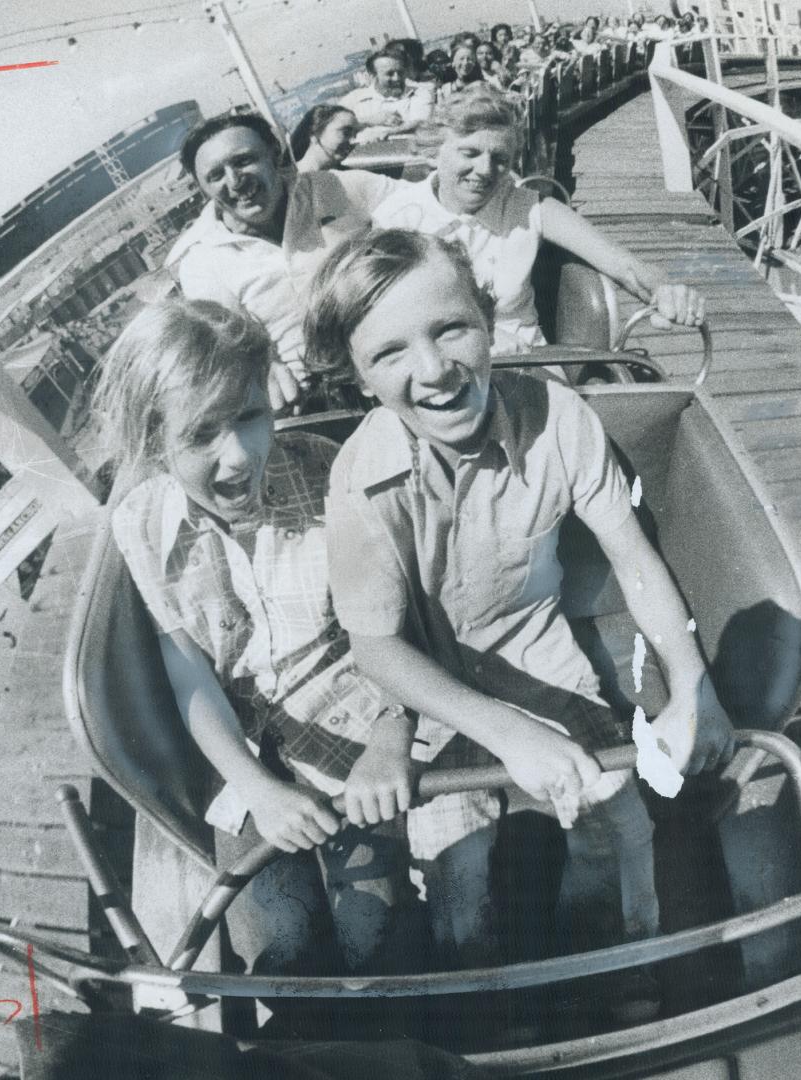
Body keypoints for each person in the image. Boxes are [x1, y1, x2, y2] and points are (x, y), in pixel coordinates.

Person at [304, 229, 736, 1008]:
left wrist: (691, 686)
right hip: (421, 695)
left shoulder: (560, 417)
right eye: (390, 354)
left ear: (488, 316)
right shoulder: (358, 483)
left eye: (450, 329)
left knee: (621, 830)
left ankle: (617, 969)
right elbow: (375, 646)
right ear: (359, 377)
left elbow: (633, 558)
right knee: (459, 883)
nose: (432, 371)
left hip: (538, 654)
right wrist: (506, 734)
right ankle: (493, 1019)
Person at [99, 297, 425, 980]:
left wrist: (393, 735)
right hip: (244, 746)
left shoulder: (324, 470)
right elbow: (189, 670)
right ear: (155, 441)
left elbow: (398, 622)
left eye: (250, 417)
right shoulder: (137, 522)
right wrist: (256, 789)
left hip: (361, 720)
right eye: (201, 435)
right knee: (281, 946)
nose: (239, 456)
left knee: (376, 931)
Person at [372, 85, 706, 354]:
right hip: (440, 372)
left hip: (529, 366)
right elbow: (386, 319)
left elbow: (624, 265)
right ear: (434, 153)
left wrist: (665, 290)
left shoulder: (528, 207)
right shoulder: (397, 219)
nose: (486, 170)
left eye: (500, 158)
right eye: (470, 153)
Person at [165, 113, 400, 411]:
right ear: (203, 189)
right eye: (216, 175)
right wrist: (265, 370)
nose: (235, 181)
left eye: (244, 161)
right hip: (317, 401)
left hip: (393, 350)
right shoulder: (201, 262)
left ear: (273, 153)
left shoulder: (333, 188)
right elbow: (233, 347)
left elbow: (422, 207)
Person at [339, 51, 434, 142]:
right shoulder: (354, 99)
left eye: (400, 72)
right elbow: (332, 125)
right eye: (390, 74)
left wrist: (389, 132)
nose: (397, 78)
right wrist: (370, 120)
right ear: (373, 76)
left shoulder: (420, 92)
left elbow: (420, 122)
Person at [289, 105, 359, 172]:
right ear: (314, 134)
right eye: (345, 132)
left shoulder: (351, 177)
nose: (353, 141)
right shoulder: (286, 180)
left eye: (356, 134)